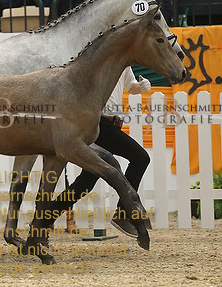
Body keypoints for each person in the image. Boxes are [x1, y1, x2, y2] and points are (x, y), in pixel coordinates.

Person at [44, 68, 152, 237]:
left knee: (85, 183)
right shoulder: (104, 56)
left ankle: (42, 220)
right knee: (140, 158)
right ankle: (123, 213)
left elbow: (131, 87)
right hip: (100, 123)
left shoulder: (124, 65)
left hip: (114, 123)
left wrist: (141, 87)